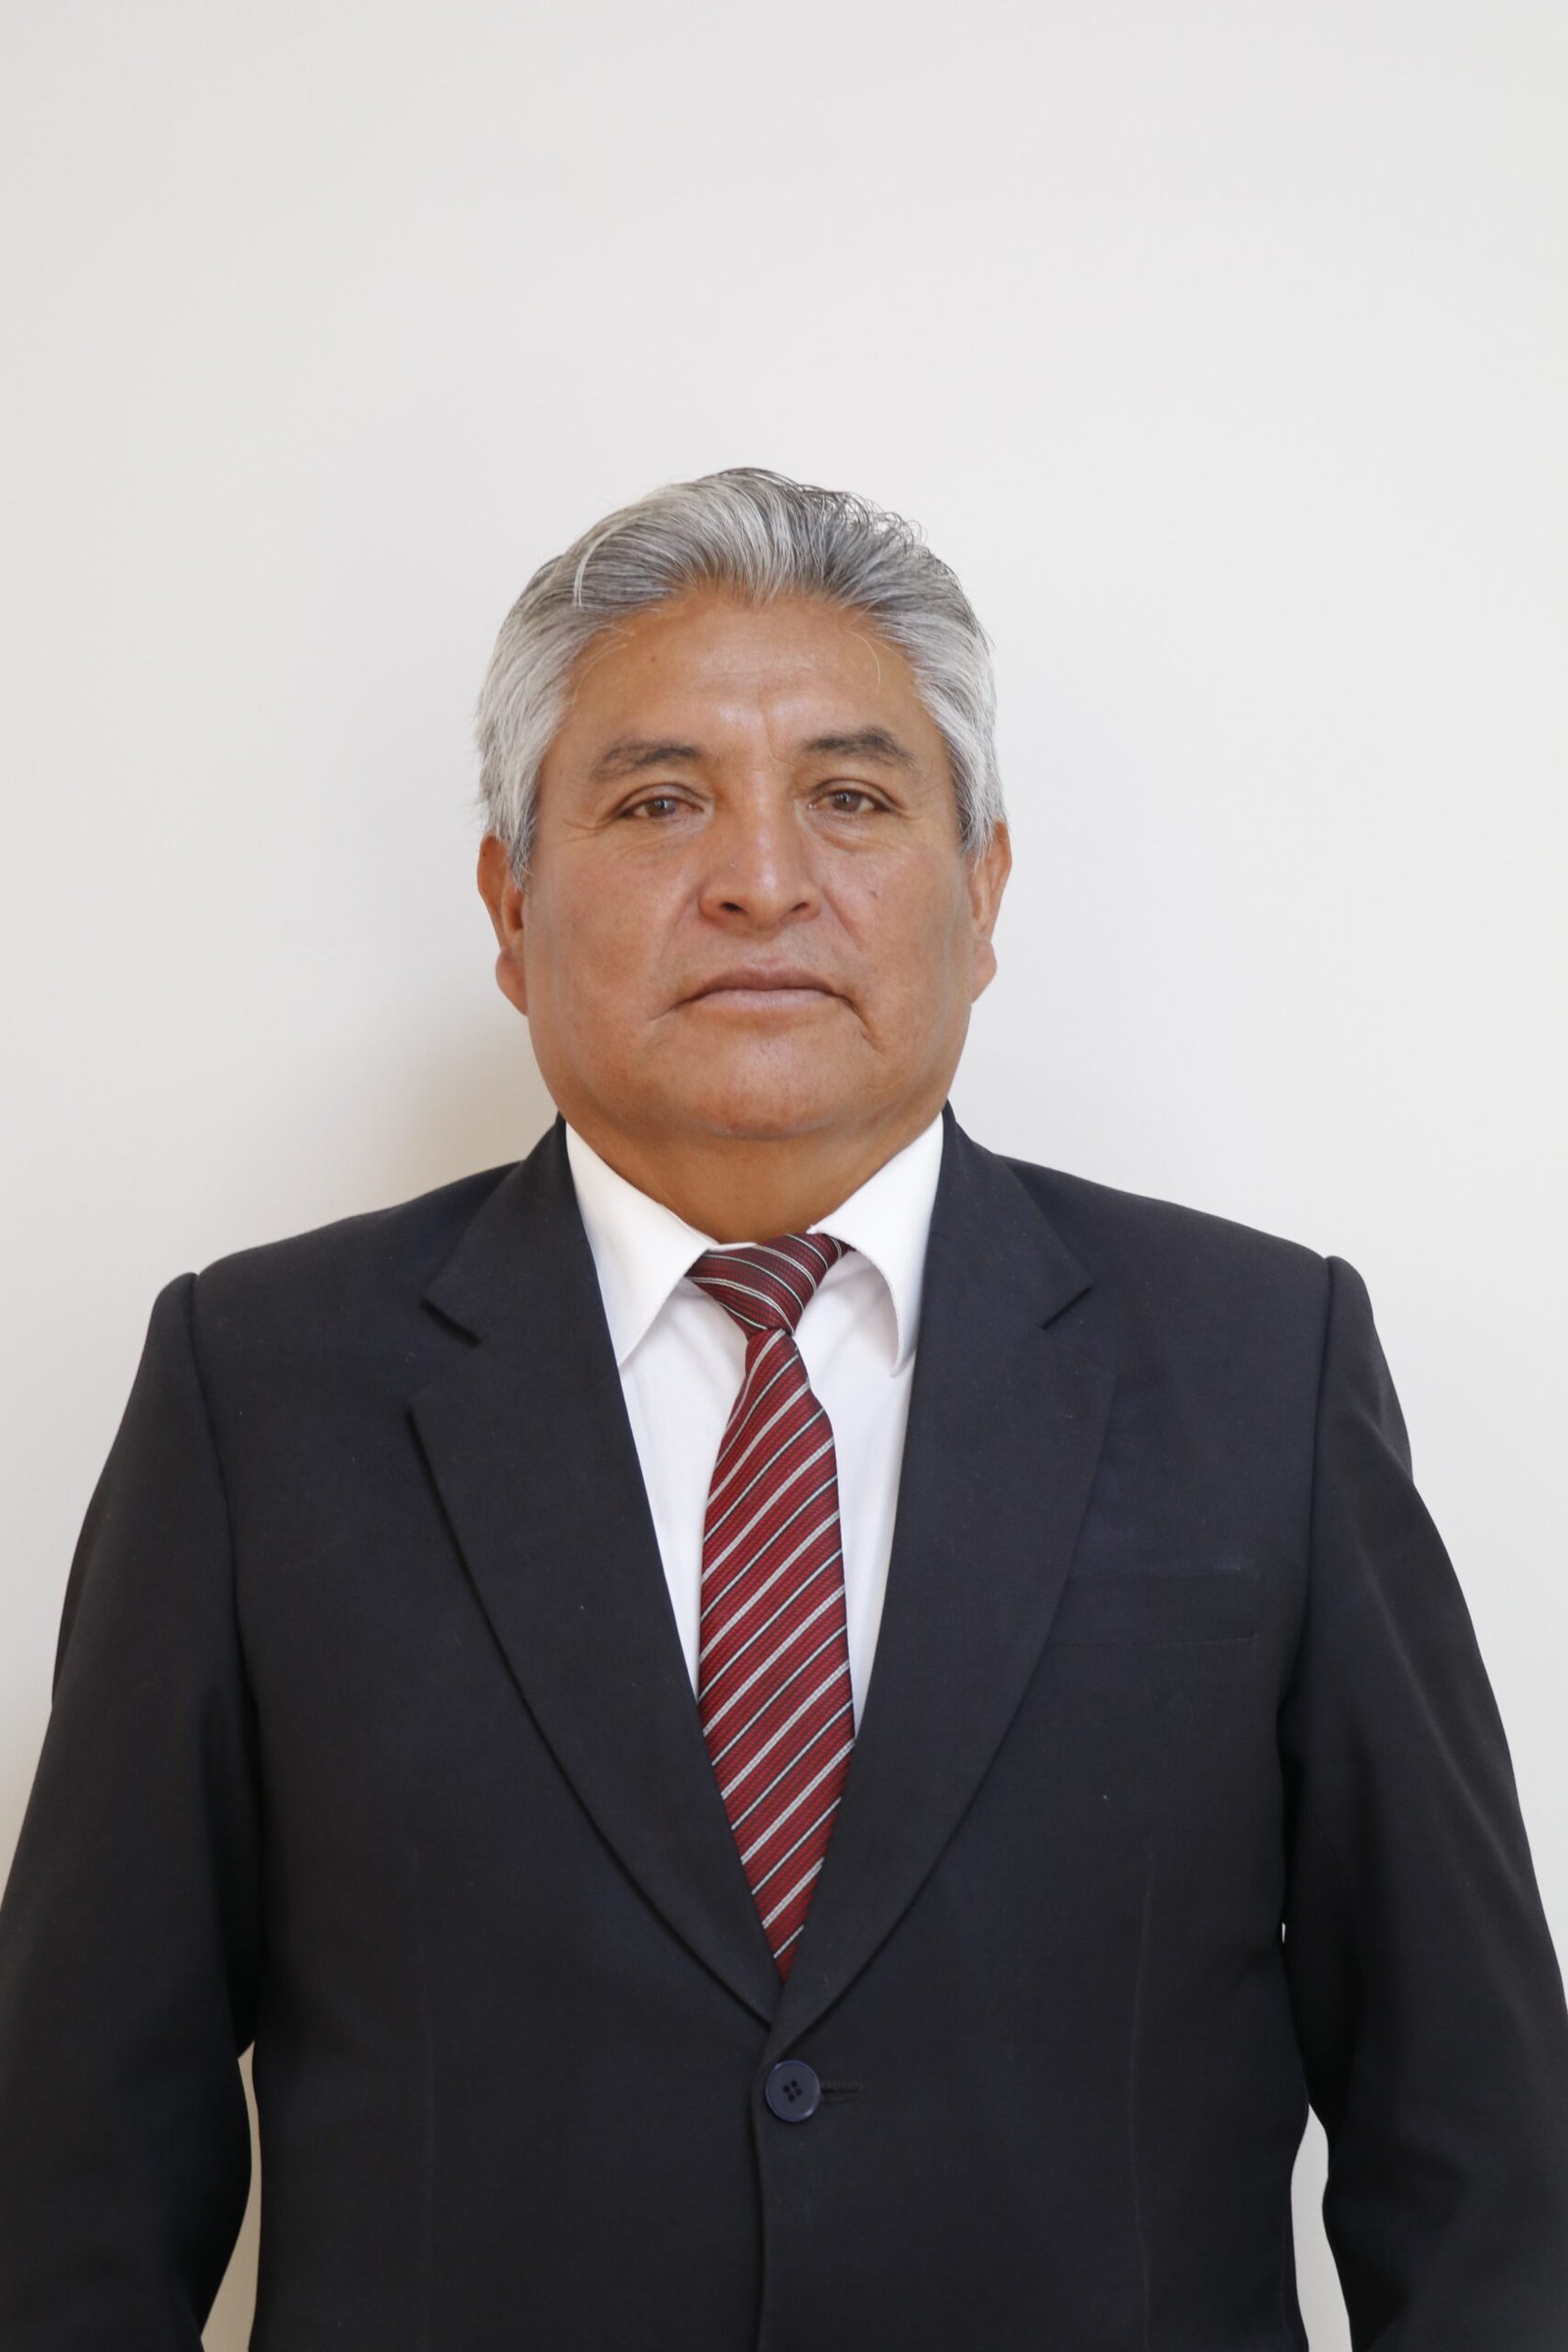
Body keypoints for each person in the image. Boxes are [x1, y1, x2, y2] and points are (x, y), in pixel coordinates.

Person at [1, 466, 1564, 2351]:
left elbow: (1479, 2152)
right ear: (510, 903)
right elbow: (74, 2174)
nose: (760, 878)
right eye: (659, 801)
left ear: (982, 893)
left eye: (853, 796)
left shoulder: (1259, 1363)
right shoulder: (260, 1388)